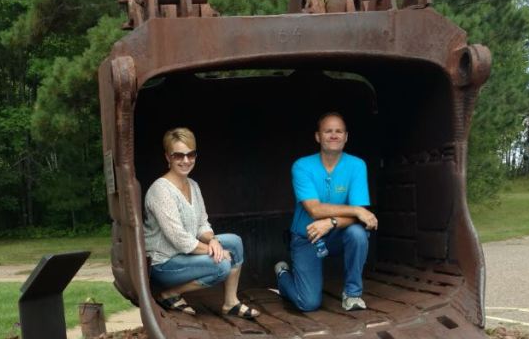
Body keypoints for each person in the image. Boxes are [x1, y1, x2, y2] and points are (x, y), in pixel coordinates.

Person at [144, 127, 259, 319]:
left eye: (191, 154)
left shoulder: (193, 185)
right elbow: (179, 239)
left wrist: (213, 241)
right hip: (164, 263)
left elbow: (202, 223)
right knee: (221, 265)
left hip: (185, 254)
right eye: (178, 155)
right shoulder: (160, 191)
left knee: (235, 242)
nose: (186, 160)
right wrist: (215, 252)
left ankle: (231, 303)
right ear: (168, 157)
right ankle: (169, 294)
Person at [274, 112, 378, 312]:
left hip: (337, 235)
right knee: (308, 303)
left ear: (346, 137)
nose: (334, 135)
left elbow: (360, 219)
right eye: (328, 131)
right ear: (318, 136)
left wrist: (331, 223)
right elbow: (314, 209)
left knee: (358, 234)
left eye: (339, 131)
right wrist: (356, 210)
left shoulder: (356, 165)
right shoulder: (302, 166)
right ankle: (282, 275)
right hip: (308, 236)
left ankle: (352, 294)